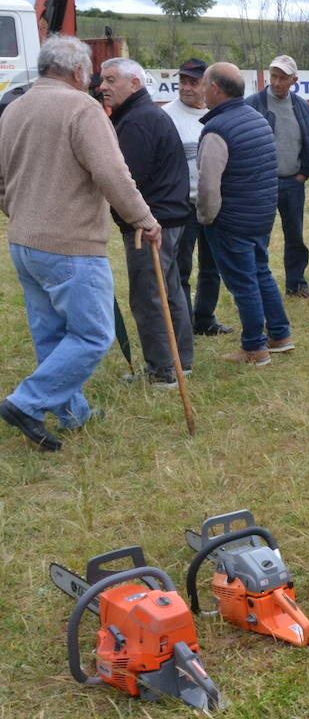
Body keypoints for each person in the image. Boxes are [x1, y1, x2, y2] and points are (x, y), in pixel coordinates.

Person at [0, 35, 161, 450]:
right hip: (70, 244)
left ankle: (73, 413)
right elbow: (112, 172)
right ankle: (26, 403)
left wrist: (19, 213)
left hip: (23, 242)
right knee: (92, 335)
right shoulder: (82, 108)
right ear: (77, 72)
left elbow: (2, 180)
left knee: (51, 334)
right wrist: (143, 219)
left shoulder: (14, 108)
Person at [99, 57, 194, 388]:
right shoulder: (147, 115)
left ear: (134, 84)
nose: (103, 87)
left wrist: (130, 215)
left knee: (150, 297)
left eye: (111, 80)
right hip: (168, 218)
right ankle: (181, 363)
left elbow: (128, 180)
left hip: (151, 224)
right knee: (170, 291)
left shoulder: (138, 121)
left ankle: (163, 371)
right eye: (102, 80)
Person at [198, 62, 294, 365]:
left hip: (232, 221)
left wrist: (206, 218)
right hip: (260, 216)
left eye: (203, 84)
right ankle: (279, 334)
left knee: (243, 283)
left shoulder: (216, 130)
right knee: (261, 273)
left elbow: (209, 187)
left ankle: (254, 347)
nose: (201, 90)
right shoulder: (257, 118)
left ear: (215, 88)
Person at [165, 58, 232, 337]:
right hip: (184, 205)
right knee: (181, 268)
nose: (186, 88)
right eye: (183, 81)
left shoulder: (217, 114)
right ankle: (181, 323)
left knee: (211, 266)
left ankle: (204, 319)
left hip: (213, 204)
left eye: (193, 82)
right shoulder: (167, 115)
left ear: (206, 85)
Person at [247, 54, 309, 298]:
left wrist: (304, 174)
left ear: (294, 80)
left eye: (283, 78)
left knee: (295, 236)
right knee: (259, 238)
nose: (277, 82)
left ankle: (296, 285)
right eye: (274, 77)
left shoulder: (302, 106)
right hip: (262, 185)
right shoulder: (252, 104)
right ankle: (258, 287)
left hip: (293, 183)